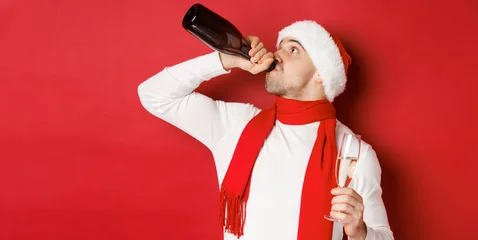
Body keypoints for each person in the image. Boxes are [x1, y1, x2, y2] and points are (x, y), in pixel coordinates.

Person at [138, 20, 393, 240]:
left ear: (321, 75)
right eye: (279, 47)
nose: (277, 55)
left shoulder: (355, 152)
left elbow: (383, 235)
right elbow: (153, 95)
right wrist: (227, 59)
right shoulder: (236, 124)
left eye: (293, 49)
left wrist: (360, 231)